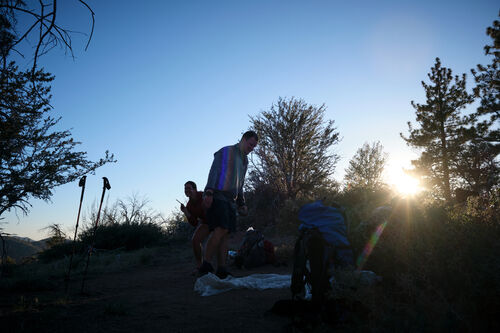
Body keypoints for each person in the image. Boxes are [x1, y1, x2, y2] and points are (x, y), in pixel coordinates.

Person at [198, 130, 258, 279]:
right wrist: (209, 192)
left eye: (254, 147)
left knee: (226, 234)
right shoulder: (226, 151)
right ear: (243, 139)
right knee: (220, 230)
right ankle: (205, 266)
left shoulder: (245, 161)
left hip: (231, 200)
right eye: (251, 144)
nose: (252, 148)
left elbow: (241, 184)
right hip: (218, 195)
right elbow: (214, 171)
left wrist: (241, 203)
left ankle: (222, 268)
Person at [180, 181, 210, 273]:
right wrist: (186, 212)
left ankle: (220, 267)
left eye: (189, 188)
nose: (186, 190)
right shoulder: (189, 205)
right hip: (206, 223)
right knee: (195, 240)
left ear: (195, 189)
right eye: (185, 188)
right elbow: (194, 223)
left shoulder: (203, 195)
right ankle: (199, 266)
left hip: (216, 220)